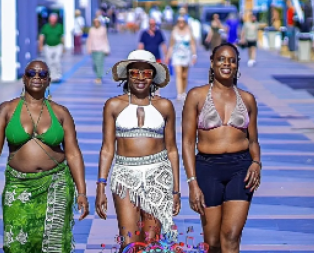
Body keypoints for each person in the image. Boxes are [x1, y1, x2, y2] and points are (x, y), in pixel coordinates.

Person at [0, 60, 89, 252]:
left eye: (42, 74)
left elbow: (73, 153)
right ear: (23, 78)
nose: (37, 77)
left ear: (49, 80)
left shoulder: (61, 112)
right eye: (31, 73)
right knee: (16, 244)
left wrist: (82, 192)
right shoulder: (7, 109)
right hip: (19, 185)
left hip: (56, 182)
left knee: (54, 245)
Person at [95, 50, 181, 247]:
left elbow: (172, 150)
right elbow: (107, 148)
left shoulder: (165, 106)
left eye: (147, 73)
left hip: (158, 175)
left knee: (152, 241)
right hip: (125, 175)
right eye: (135, 73)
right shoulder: (113, 105)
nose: (141, 78)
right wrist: (101, 185)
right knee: (130, 242)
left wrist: (176, 190)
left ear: (153, 77)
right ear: (127, 75)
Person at [181, 43, 260, 253]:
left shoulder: (247, 99)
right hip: (207, 169)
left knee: (231, 236)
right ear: (212, 63)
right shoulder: (196, 96)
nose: (227, 63)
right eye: (221, 59)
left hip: (240, 168)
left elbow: (253, 141)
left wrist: (256, 163)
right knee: (213, 241)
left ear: (237, 65)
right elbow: (188, 143)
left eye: (232, 60)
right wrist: (192, 183)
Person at [166, 15, 197, 101]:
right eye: (179, 22)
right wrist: (168, 56)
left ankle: (184, 92)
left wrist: (194, 55)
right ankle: (179, 93)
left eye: (182, 22)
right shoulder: (174, 32)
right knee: (178, 73)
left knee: (184, 75)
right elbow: (171, 45)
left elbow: (192, 44)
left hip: (187, 55)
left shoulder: (189, 31)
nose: (181, 24)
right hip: (176, 55)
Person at [39, 13, 65, 83]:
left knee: (57, 61)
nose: (53, 21)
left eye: (54, 20)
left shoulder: (60, 26)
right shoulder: (46, 27)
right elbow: (42, 37)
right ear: (49, 20)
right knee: (49, 62)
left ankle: (58, 75)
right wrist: (40, 46)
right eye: (51, 20)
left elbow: (62, 37)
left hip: (58, 46)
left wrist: (63, 47)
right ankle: (52, 76)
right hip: (48, 46)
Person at [86, 17, 111, 84]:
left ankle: (99, 77)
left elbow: (105, 39)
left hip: (101, 49)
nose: (96, 23)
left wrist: (107, 49)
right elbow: (89, 39)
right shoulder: (91, 30)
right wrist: (89, 48)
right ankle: (98, 75)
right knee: (94, 64)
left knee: (99, 63)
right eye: (95, 22)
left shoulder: (103, 29)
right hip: (93, 49)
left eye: (97, 22)